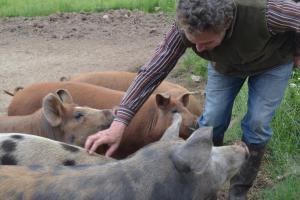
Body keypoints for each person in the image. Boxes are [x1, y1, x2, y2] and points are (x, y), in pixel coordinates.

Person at [85, 0, 300, 199]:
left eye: (206, 42)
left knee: (258, 123)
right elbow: (152, 71)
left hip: (272, 62)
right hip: (224, 66)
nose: (197, 49)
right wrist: (120, 122)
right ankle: (206, 185)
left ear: (226, 24)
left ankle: (238, 193)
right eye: (193, 42)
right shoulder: (184, 27)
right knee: (212, 121)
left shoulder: (265, 12)